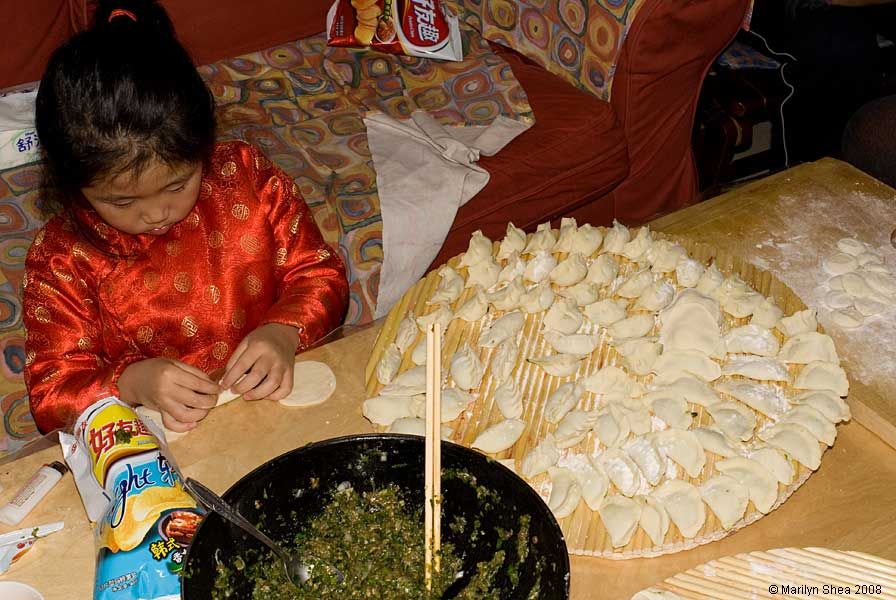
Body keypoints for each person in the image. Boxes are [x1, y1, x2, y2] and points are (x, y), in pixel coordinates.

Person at [23, 0, 349, 434]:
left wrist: (284, 332)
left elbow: (319, 274)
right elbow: (52, 393)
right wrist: (131, 383)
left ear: (203, 147)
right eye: (122, 202)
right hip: (164, 443)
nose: (157, 213)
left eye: (177, 185)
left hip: (274, 403)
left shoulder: (245, 178)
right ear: (75, 186)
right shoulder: (62, 258)